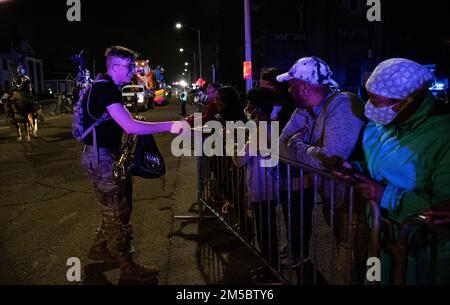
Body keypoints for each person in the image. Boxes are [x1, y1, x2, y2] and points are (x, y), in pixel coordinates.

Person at [334, 58, 450, 284]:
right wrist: (355, 169)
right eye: (369, 96)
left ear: (408, 101)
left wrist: (384, 194)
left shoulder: (443, 134)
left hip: (427, 252)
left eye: (376, 100)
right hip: (383, 237)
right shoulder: (381, 122)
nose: (370, 105)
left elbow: (444, 206)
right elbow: (380, 164)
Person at [80, 46, 183, 284]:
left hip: (101, 155)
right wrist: (169, 126)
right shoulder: (106, 89)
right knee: (119, 213)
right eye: (129, 67)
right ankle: (128, 267)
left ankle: (99, 248)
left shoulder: (104, 86)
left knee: (111, 209)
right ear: (115, 67)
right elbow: (131, 126)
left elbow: (123, 121)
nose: (134, 72)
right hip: (102, 157)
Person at [276, 57, 367, 282]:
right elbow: (281, 146)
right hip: (335, 199)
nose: (288, 89)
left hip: (356, 205)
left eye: (291, 84)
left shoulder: (343, 104)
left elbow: (331, 157)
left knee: (351, 265)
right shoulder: (308, 109)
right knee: (342, 255)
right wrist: (306, 150)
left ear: (304, 87)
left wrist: (297, 146)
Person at [232, 87, 281, 284]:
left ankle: (274, 272)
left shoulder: (261, 131)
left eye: (249, 104)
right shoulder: (270, 127)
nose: (246, 108)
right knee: (267, 230)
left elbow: (240, 160)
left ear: (258, 108)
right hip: (267, 186)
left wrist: (234, 148)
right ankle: (270, 267)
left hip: (263, 187)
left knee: (266, 232)